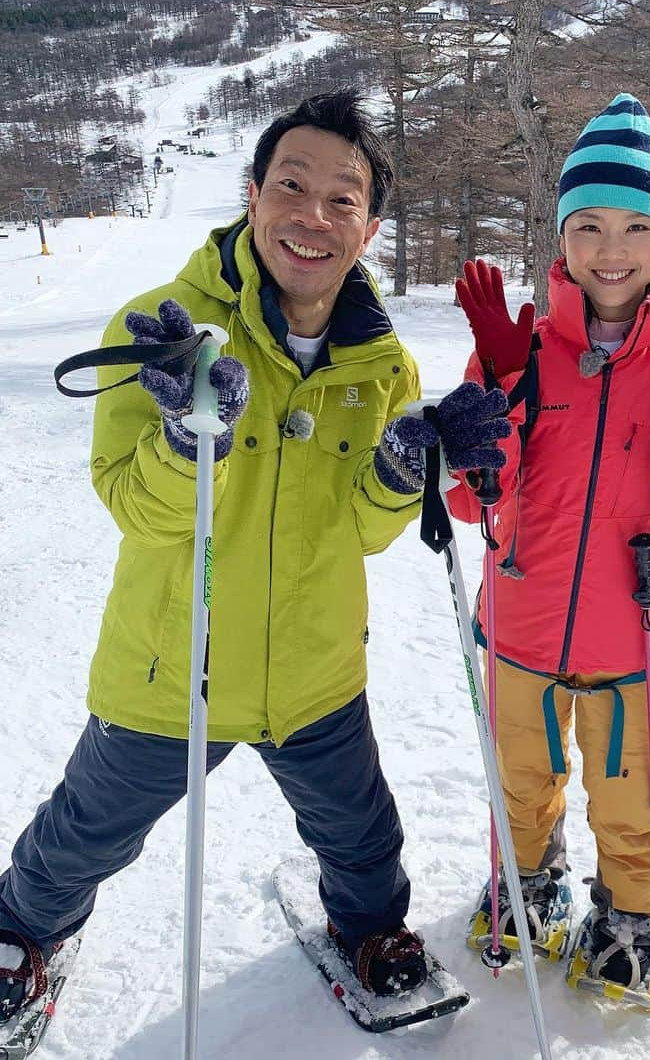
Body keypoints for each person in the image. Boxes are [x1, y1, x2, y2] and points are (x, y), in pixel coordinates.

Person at [0, 88, 508, 1023]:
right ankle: (21, 935)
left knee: (361, 836)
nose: (313, 216)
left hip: (315, 666)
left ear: (370, 226)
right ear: (253, 193)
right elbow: (133, 505)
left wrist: (402, 470)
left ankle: (369, 929)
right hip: (174, 667)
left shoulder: (379, 361)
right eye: (292, 184)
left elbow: (360, 526)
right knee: (83, 836)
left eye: (343, 198)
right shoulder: (161, 330)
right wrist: (192, 444)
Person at [448, 94, 650, 991]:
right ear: (561, 235)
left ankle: (630, 920)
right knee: (521, 779)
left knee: (631, 798)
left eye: (634, 227)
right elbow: (471, 499)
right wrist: (498, 385)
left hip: (635, 638)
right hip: (523, 625)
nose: (610, 249)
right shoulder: (519, 350)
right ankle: (527, 885)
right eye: (588, 226)